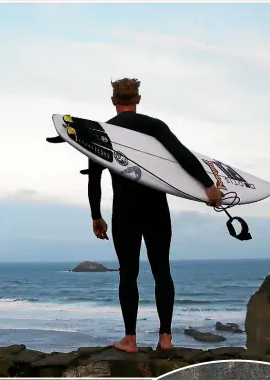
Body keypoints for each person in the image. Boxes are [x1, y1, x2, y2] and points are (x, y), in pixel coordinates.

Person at [87, 78, 222, 353]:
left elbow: (93, 179)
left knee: (128, 273)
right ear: (138, 100)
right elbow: (182, 156)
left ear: (113, 101)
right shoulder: (154, 126)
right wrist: (208, 186)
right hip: (156, 208)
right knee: (162, 271)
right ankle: (166, 338)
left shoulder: (100, 133)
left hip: (125, 211)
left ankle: (130, 339)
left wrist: (96, 216)